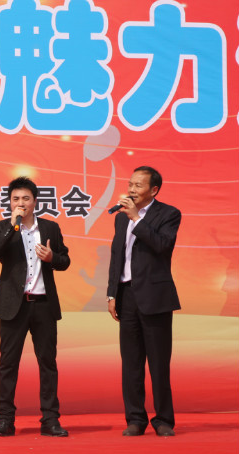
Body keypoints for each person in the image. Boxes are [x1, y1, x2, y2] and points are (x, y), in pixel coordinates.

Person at [0, 177, 71, 437]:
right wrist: (12, 226)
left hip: (43, 305)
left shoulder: (50, 228)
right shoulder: (1, 227)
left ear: (35, 202)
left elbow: (65, 260)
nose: (20, 203)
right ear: (9, 203)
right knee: (8, 364)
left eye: (25, 198)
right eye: (15, 199)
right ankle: (5, 420)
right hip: (13, 306)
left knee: (48, 363)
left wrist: (52, 257)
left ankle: (50, 420)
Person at [107, 166, 180, 437]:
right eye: (130, 184)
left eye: (138, 185)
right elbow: (117, 256)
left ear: (154, 190)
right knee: (131, 363)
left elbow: (162, 245)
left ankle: (163, 420)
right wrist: (112, 293)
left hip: (155, 298)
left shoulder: (169, 214)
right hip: (126, 296)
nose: (132, 189)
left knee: (159, 363)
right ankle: (135, 419)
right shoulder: (121, 218)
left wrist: (137, 218)